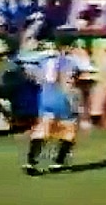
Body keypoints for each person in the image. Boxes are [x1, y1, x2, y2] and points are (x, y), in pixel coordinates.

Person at [19, 37, 91, 176]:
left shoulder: (44, 59)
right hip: (65, 95)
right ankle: (58, 161)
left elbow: (23, 61)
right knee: (69, 128)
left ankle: (31, 160)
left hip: (46, 95)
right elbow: (87, 69)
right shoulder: (72, 60)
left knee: (43, 127)